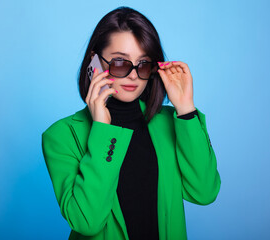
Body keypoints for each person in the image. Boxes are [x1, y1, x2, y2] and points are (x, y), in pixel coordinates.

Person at [41, 6, 221, 240]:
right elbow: (87, 222)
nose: (134, 75)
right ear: (93, 62)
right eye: (120, 63)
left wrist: (186, 109)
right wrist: (103, 131)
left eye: (143, 64)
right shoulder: (62, 136)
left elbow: (205, 192)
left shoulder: (171, 123)